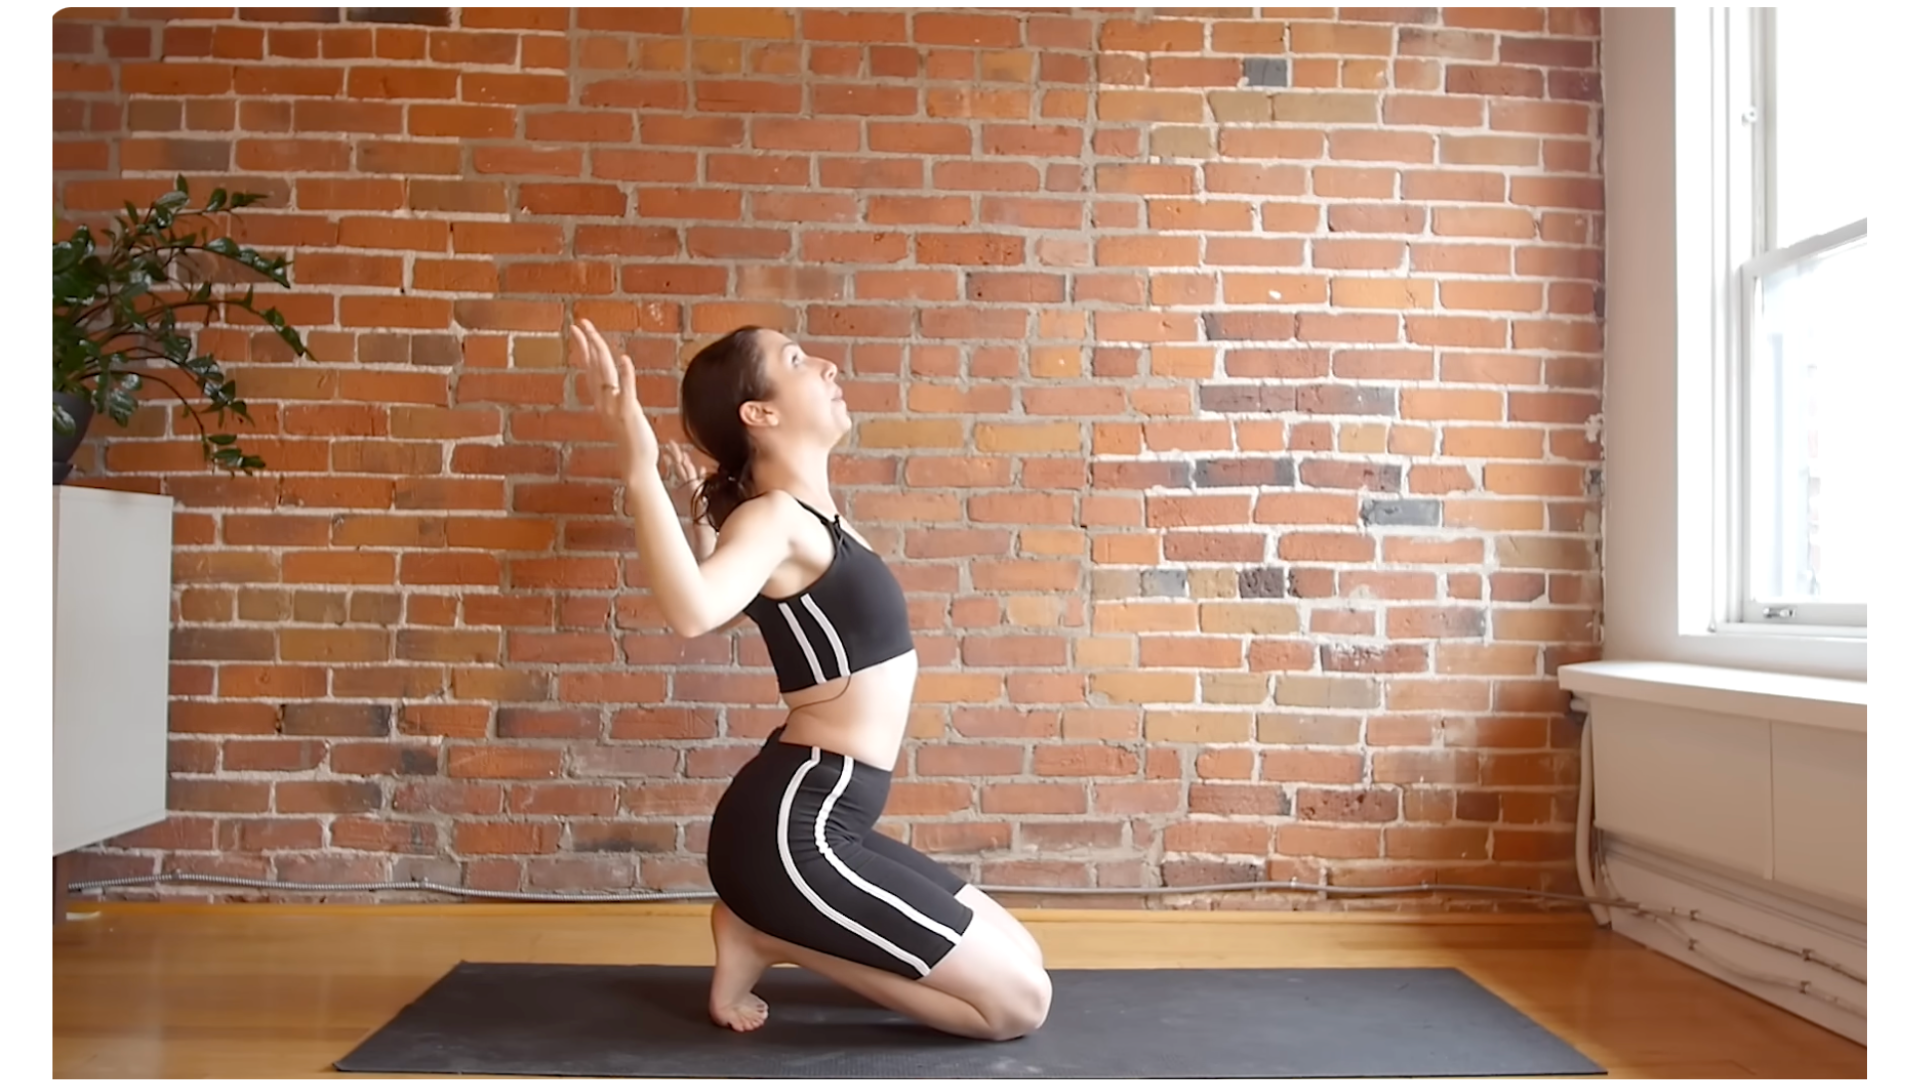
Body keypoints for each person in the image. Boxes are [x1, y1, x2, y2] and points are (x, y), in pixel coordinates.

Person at [567, 319, 1053, 1041]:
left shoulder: (804, 520)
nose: (826, 364)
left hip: (833, 817)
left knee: (1028, 960)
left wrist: (692, 507)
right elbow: (694, 610)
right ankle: (773, 935)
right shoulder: (778, 520)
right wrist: (638, 465)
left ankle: (761, 924)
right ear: (759, 414)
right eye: (796, 361)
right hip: (795, 829)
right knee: (1017, 1009)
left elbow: (735, 589)